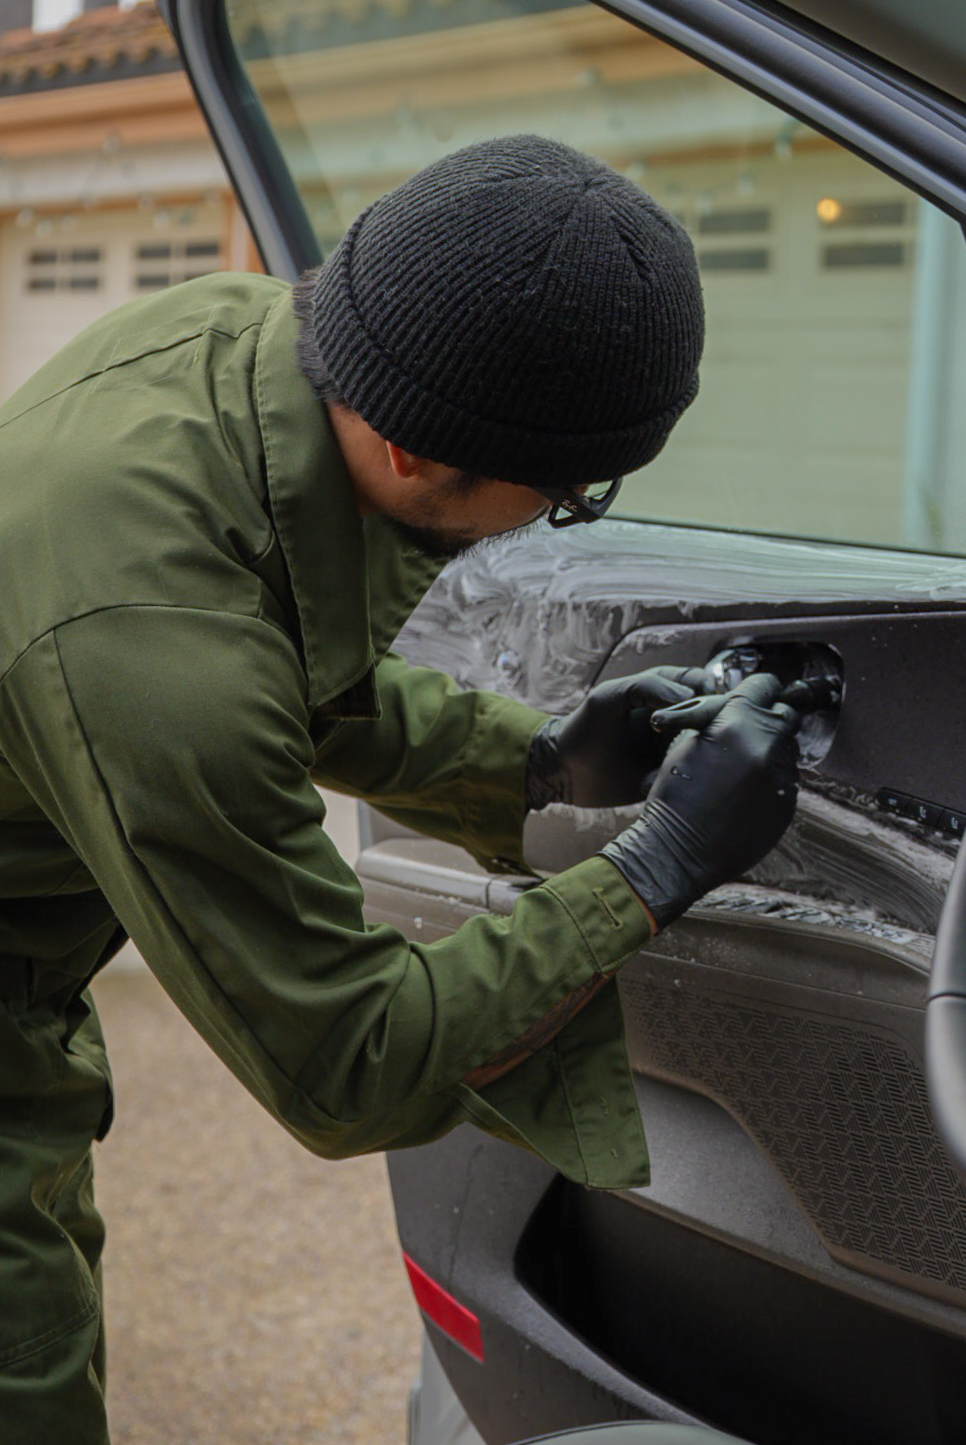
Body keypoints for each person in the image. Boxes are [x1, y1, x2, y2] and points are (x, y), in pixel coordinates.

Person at [0, 134, 798, 1442]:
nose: (557, 515)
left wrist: (539, 761)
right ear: (419, 455)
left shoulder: (244, 345)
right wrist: (652, 869)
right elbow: (347, 1060)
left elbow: (282, 645)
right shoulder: (149, 640)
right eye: (566, 496)